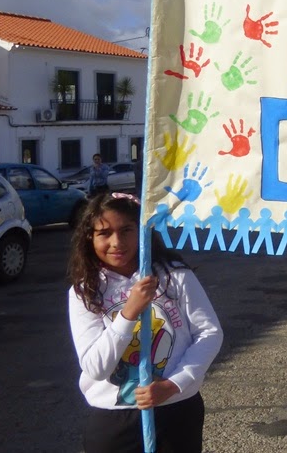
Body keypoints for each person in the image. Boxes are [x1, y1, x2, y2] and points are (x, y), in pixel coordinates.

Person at [68, 192, 223, 453]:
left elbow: (209, 333)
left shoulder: (174, 275)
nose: (117, 242)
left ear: (143, 232)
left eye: (126, 230)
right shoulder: (85, 292)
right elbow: (95, 367)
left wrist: (174, 384)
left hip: (176, 408)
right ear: (89, 238)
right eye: (104, 233)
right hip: (114, 417)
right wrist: (129, 312)